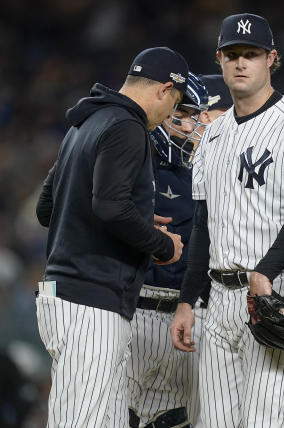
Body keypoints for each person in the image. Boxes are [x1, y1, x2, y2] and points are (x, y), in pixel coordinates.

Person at [169, 13, 284, 427]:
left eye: (251, 54)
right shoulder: (214, 135)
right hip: (220, 296)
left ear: (271, 59)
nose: (241, 63)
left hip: (282, 288)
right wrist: (188, 299)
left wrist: (266, 271)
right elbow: (203, 223)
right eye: (233, 54)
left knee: (266, 421)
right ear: (219, 60)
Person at [34, 46, 186, 427]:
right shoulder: (127, 126)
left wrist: (130, 215)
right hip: (92, 298)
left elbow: (47, 208)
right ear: (165, 90)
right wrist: (162, 244)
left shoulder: (84, 123)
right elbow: (111, 208)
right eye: (176, 103)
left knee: (93, 417)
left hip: (61, 294)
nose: (170, 115)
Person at [127, 72, 229, 428]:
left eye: (201, 115)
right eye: (186, 114)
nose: (192, 124)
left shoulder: (227, 175)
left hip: (191, 318)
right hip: (135, 309)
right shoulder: (140, 155)